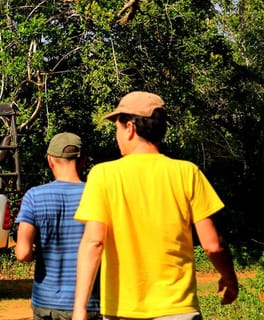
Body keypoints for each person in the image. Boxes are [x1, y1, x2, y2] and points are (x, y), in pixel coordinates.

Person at [72, 91, 239, 320]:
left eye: (117, 128)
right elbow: (212, 245)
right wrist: (230, 279)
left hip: (122, 310)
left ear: (129, 127)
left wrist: (80, 308)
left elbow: (94, 242)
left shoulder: (103, 175)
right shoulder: (187, 173)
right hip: (178, 310)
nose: (116, 136)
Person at [15, 132, 100, 320]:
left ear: (50, 161)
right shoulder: (99, 194)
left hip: (47, 303)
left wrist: (35, 251)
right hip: (92, 302)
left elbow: (22, 253)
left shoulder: (34, 197)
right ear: (84, 160)